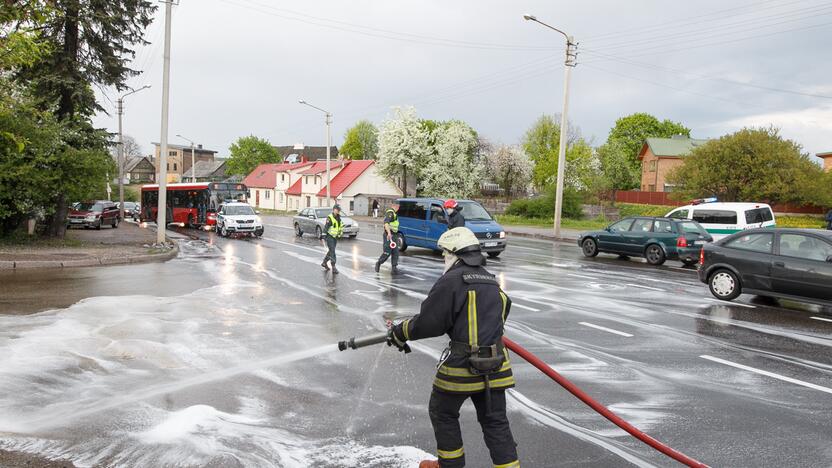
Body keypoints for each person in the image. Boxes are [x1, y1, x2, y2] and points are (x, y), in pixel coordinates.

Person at [387, 227, 519, 468]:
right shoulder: (490, 281)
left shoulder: (451, 281)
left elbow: (429, 323)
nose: (443, 259)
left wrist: (400, 332)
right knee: (495, 421)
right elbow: (503, 311)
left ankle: (450, 465)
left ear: (453, 253)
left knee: (443, 412)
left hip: (462, 367)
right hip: (497, 367)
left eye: (444, 254)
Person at [375, 203, 400, 274]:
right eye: (398, 207)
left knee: (395, 252)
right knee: (387, 252)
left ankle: (394, 268)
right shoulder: (390, 213)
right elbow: (386, 223)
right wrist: (389, 233)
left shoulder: (394, 213)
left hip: (394, 235)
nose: (398, 208)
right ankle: (379, 263)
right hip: (389, 235)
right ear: (396, 206)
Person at [321, 205, 343, 274]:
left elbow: (340, 227)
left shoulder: (339, 218)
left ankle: (324, 262)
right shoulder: (330, 217)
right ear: (334, 210)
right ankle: (333, 267)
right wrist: (323, 235)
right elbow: (326, 227)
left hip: (335, 237)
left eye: (339, 210)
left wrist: (339, 234)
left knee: (331, 251)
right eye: (337, 210)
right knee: (332, 251)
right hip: (330, 237)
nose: (338, 211)